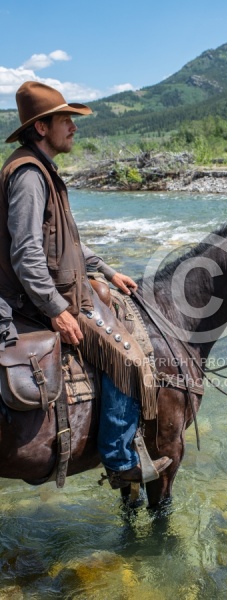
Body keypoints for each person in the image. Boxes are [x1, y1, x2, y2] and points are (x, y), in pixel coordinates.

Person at [0, 81, 171, 488]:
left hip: (57, 290)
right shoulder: (28, 176)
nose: (74, 127)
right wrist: (57, 310)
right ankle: (119, 459)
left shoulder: (41, 169)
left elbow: (67, 241)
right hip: (34, 300)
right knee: (128, 361)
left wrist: (108, 271)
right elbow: (26, 254)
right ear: (41, 128)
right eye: (66, 120)